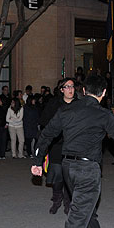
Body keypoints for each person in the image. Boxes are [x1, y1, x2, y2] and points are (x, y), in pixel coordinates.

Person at [31, 74, 114, 228]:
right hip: (87, 171)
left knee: (86, 212)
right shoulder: (103, 114)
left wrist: (37, 161)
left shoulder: (66, 110)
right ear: (103, 93)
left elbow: (46, 134)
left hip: (68, 168)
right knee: (77, 220)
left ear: (83, 91)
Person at [39, 77, 77, 214]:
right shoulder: (54, 104)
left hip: (73, 146)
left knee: (70, 176)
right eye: (67, 87)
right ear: (61, 90)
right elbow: (44, 122)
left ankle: (68, 203)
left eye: (72, 86)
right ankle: (57, 200)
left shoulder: (79, 104)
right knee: (57, 176)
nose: (70, 89)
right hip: (57, 145)